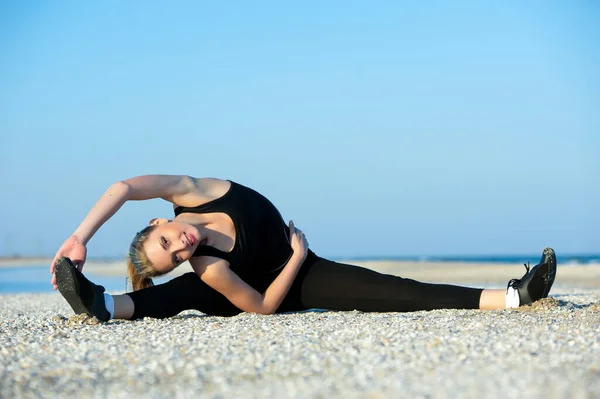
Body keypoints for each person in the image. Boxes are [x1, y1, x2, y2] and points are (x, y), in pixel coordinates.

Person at [50, 175, 557, 322]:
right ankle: (101, 304)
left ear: (161, 219)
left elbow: (121, 187)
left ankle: (515, 296)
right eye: (174, 256)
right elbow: (266, 307)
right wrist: (295, 257)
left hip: (302, 266)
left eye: (167, 241)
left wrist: (80, 238)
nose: (180, 247)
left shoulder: (191, 191)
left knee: (397, 289)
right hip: (285, 282)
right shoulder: (208, 267)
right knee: (186, 293)